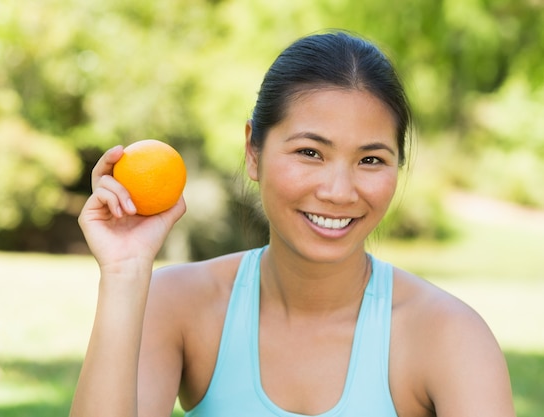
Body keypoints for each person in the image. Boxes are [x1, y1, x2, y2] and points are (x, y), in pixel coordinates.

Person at [70, 30, 515, 417]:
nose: (339, 191)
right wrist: (124, 274)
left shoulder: (450, 337)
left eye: (371, 159)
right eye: (310, 152)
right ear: (253, 151)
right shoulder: (179, 307)